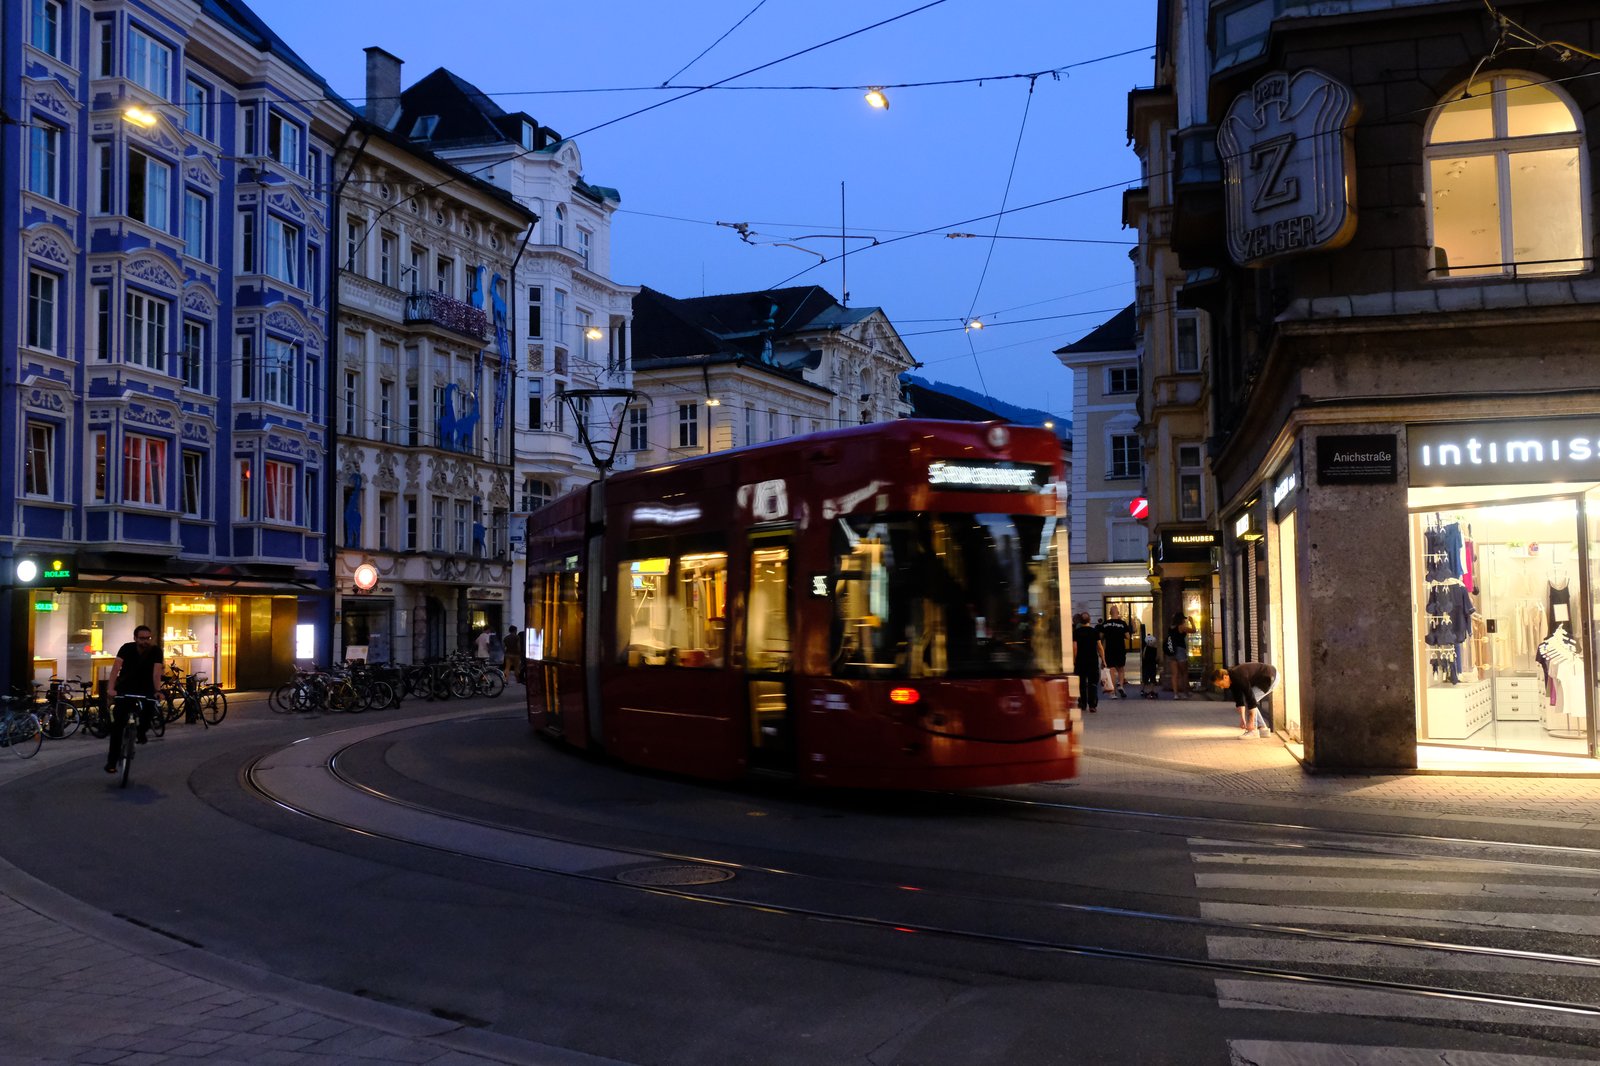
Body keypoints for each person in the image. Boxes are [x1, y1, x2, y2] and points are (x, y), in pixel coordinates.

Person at [104, 625, 163, 773]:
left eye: (148, 638)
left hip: (146, 688)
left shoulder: (156, 651)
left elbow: (156, 674)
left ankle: (141, 732)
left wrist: (157, 691)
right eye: (142, 638)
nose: (145, 641)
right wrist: (111, 689)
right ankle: (112, 762)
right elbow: (115, 669)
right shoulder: (126, 648)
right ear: (135, 638)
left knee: (148, 712)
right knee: (118, 725)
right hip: (126, 687)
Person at [1213, 663, 1280, 738]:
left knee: (1250, 700)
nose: (1221, 687)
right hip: (1266, 677)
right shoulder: (1232, 681)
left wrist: (1251, 722)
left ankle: (1253, 731)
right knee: (1249, 700)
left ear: (1225, 677)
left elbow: (1250, 700)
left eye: (1220, 684)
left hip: (1270, 676)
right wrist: (1243, 719)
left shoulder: (1238, 676)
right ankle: (1263, 729)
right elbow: (1240, 702)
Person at [1071, 612, 1104, 714]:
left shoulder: (1076, 632)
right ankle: (1092, 705)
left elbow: (1074, 647)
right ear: (1089, 620)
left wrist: (1074, 660)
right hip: (1092, 661)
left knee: (1081, 684)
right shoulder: (1094, 632)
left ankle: (1082, 704)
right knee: (1092, 683)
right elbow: (1099, 647)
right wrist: (1103, 659)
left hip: (1080, 661)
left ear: (1080, 621)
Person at [1098, 606, 1132, 698]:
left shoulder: (1105, 624)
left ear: (1110, 613)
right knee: (1121, 669)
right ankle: (1120, 684)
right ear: (1118, 612)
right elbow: (1128, 637)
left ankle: (1113, 693)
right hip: (1120, 649)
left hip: (1109, 649)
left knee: (1111, 670)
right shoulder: (1122, 623)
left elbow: (1100, 637)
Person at [1164, 615, 1193, 699]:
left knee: (1174, 674)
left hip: (1172, 651)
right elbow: (1193, 630)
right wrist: (1191, 621)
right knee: (1184, 673)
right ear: (1181, 620)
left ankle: (1175, 694)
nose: (1185, 621)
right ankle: (1186, 692)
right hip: (1180, 650)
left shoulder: (1171, 628)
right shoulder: (1181, 627)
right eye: (1184, 619)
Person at [1140, 634, 1160, 698]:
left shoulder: (1146, 648)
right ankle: (1151, 690)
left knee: (1145, 678)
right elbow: (1157, 657)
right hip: (1153, 665)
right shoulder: (1155, 649)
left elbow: (1143, 656)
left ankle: (1142, 690)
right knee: (1152, 678)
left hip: (1146, 665)